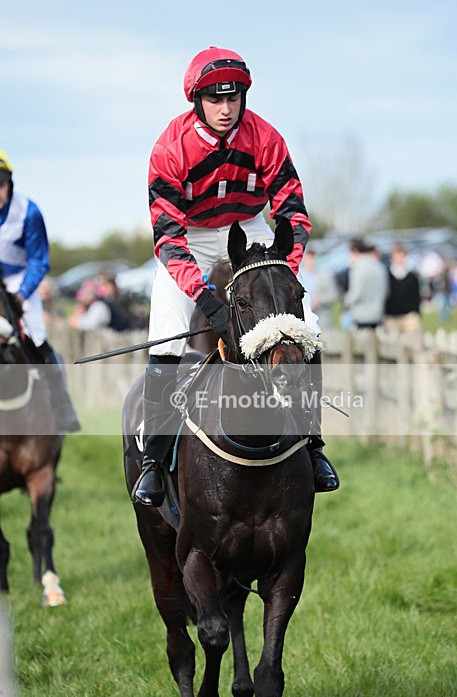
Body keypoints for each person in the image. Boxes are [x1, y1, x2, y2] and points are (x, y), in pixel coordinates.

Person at [133, 46, 339, 506]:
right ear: (197, 101)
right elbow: (167, 237)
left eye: (234, 98)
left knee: (310, 331)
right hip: (189, 237)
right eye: (214, 99)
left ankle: (314, 448)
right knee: (166, 337)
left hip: (248, 229)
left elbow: (292, 212)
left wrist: (285, 271)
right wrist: (208, 302)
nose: (226, 109)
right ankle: (153, 461)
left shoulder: (265, 138)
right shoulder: (170, 147)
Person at [0, 151, 80, 433]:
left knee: (35, 333)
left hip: (19, 280)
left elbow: (38, 260)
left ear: (10, 184)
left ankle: (61, 406)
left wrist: (21, 294)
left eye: (0, 183)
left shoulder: (28, 212)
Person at [345, 237, 388, 329]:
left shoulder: (357, 268)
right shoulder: (379, 266)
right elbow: (386, 292)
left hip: (362, 316)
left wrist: (347, 300)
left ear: (355, 251)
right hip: (378, 314)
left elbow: (356, 294)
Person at [384, 243, 422, 333]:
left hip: (409, 316)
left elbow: (416, 296)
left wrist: (415, 311)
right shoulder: (387, 276)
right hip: (392, 317)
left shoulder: (412, 277)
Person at [298, 247, 338, 330]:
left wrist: (319, 300)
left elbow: (333, 295)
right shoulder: (299, 276)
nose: (311, 261)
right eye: (308, 258)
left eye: (313, 258)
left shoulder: (325, 275)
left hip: (322, 318)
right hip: (305, 318)